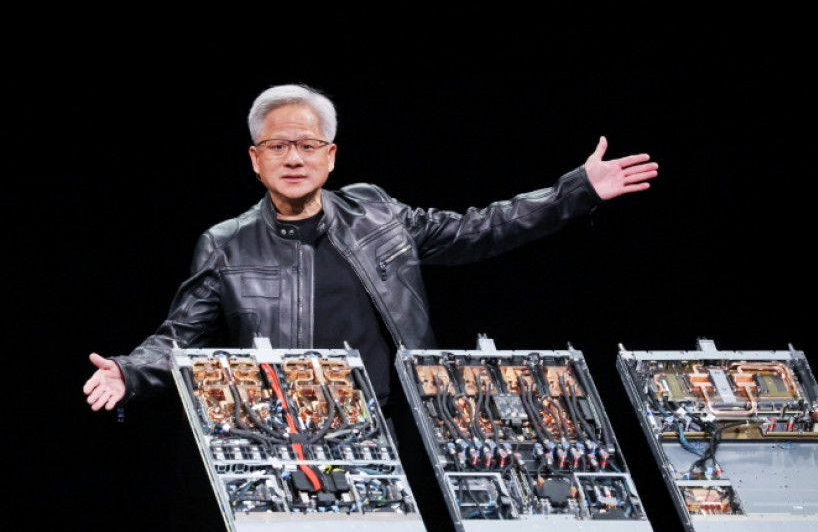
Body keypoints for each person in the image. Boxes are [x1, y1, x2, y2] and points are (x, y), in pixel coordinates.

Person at [83, 82, 658, 425]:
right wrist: (131, 371)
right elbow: (180, 337)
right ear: (256, 160)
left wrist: (573, 192)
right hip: (297, 434)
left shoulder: (377, 212)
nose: (293, 158)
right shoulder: (226, 242)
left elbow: (479, 229)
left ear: (330, 155)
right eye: (277, 146)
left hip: (403, 426)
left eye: (307, 145)